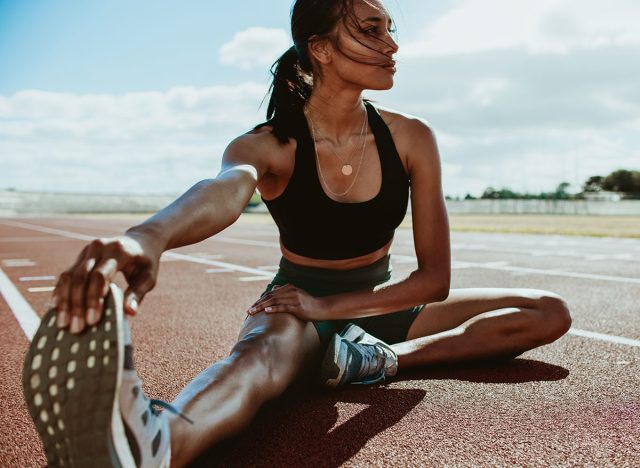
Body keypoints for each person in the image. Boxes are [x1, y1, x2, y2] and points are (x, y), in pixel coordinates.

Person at [22, 0, 572, 466]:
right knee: (253, 366)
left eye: (390, 30)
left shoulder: (411, 138)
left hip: (384, 308)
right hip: (295, 310)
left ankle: (379, 360)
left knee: (548, 312)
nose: (392, 45)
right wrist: (150, 236)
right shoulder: (269, 145)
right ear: (322, 48)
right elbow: (223, 191)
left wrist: (345, 318)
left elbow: (434, 281)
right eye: (370, 30)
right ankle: (158, 441)